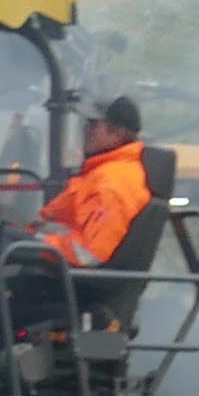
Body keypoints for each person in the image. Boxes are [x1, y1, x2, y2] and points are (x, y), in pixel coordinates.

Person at [30, 96, 154, 276]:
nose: (86, 130)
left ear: (117, 134)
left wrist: (34, 243)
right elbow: (63, 225)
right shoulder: (99, 173)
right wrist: (25, 235)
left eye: (94, 125)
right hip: (54, 267)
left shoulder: (113, 183)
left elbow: (86, 254)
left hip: (65, 283)